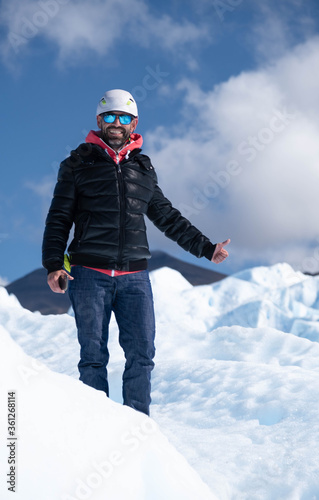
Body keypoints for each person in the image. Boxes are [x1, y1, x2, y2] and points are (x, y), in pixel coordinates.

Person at [42, 89, 230, 416]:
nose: (117, 123)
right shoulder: (77, 164)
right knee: (93, 357)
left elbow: (167, 216)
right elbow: (59, 217)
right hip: (89, 275)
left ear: (134, 123)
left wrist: (206, 248)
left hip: (135, 279)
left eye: (124, 117)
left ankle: (137, 430)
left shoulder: (142, 168)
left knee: (142, 356)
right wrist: (54, 264)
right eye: (110, 116)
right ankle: (96, 428)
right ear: (99, 120)